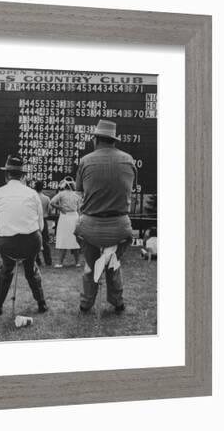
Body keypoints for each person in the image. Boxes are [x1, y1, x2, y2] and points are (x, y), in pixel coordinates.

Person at [75, 119, 137, 314]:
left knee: (91, 265)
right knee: (113, 264)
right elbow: (130, 191)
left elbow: (79, 193)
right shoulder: (128, 160)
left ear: (96, 140)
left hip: (90, 227)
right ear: (114, 140)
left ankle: (86, 304)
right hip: (120, 227)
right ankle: (118, 302)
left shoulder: (85, 161)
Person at [0, 155, 48, 316]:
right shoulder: (33, 194)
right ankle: (41, 303)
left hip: (6, 242)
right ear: (23, 176)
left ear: (6, 174)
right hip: (31, 240)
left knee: (6, 269)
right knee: (31, 269)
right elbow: (40, 225)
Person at [50, 178, 82, 268]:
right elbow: (80, 209)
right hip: (74, 217)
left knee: (62, 239)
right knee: (75, 240)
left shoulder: (61, 194)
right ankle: (77, 262)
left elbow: (52, 202)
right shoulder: (77, 195)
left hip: (65, 217)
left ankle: (60, 263)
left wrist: (60, 208)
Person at [34, 181, 53, 267]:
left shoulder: (32, 197)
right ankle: (48, 261)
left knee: (33, 241)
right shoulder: (46, 198)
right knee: (45, 241)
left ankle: (37, 261)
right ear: (42, 188)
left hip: (34, 221)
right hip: (43, 220)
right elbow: (49, 210)